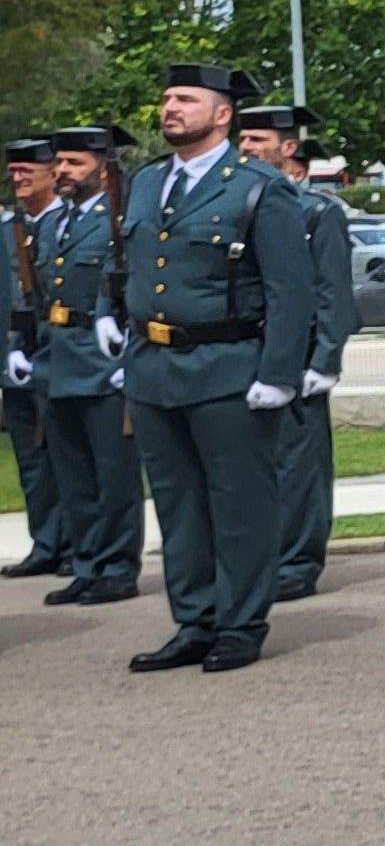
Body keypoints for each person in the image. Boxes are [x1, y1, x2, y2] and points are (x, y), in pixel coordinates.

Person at [113, 63, 322, 675]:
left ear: (222, 113)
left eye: (184, 98)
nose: (169, 107)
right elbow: (134, 269)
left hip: (228, 367)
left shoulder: (257, 186)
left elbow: (292, 290)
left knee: (239, 504)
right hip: (155, 368)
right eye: (166, 97)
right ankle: (195, 620)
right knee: (179, 506)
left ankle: (240, 622)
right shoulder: (148, 183)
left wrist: (278, 373)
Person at [235, 106, 355, 604]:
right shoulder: (238, 203)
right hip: (248, 351)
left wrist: (325, 358)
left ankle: (298, 562)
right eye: (242, 138)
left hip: (300, 355)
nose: (245, 147)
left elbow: (332, 292)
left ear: (288, 149)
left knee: (298, 467)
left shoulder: (316, 212)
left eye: (257, 139)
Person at [26, 126, 139, 606]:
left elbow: (134, 290)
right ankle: (88, 563)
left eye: (74, 164)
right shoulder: (55, 224)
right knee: (73, 475)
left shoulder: (120, 222)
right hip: (59, 360)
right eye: (60, 164)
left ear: (103, 166)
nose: (63, 172)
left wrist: (130, 351)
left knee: (113, 476)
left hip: (102, 363)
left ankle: (117, 567)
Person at [3, 139, 56, 581]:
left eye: (26, 170)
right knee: (33, 459)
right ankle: (48, 541)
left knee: (70, 456)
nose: (17, 179)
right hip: (18, 359)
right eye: (13, 172)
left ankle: (81, 543)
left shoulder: (63, 222)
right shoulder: (10, 228)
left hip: (63, 358)